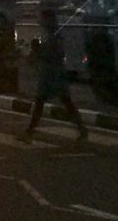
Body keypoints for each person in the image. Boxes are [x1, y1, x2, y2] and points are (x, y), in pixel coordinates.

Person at [22, 10, 88, 143]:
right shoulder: (50, 33)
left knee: (45, 101)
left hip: (52, 73)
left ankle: (30, 130)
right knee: (62, 101)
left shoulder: (54, 35)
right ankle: (81, 129)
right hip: (53, 72)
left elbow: (54, 53)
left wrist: (38, 51)